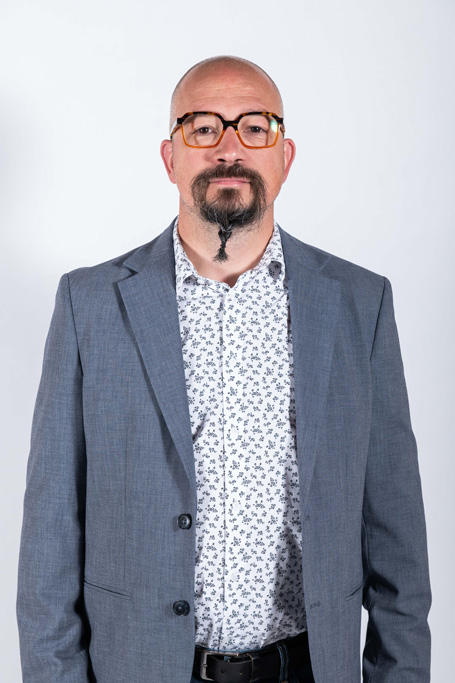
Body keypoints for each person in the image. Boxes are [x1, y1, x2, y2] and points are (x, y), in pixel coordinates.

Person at [17, 56, 432, 683]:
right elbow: (50, 535)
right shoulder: (90, 304)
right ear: (171, 157)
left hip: (308, 669)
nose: (229, 148)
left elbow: (396, 530)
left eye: (254, 128)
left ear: (285, 156)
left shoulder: (359, 303)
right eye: (204, 127)